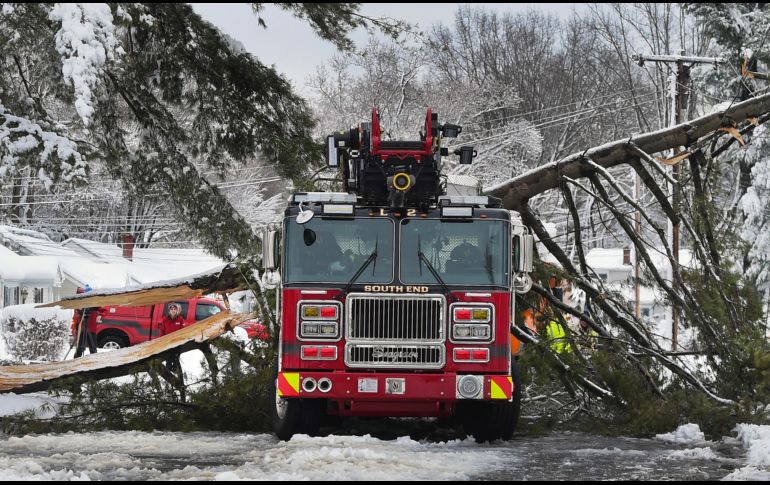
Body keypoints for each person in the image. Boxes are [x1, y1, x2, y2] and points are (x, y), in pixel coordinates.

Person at [74, 286, 104, 358]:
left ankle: (94, 363)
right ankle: (75, 362)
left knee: (93, 349)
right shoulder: (79, 303)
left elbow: (103, 310)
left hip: (91, 328)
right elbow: (76, 316)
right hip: (82, 327)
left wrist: (99, 315)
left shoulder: (95, 302)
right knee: (79, 349)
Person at [160, 303, 185, 374]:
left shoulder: (180, 319)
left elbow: (183, 330)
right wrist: (162, 340)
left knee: (176, 357)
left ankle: (176, 371)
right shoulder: (165, 319)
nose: (173, 311)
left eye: (174, 309)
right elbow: (162, 330)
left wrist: (181, 340)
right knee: (169, 357)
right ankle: (168, 372)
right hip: (168, 342)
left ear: (177, 310)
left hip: (177, 342)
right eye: (172, 309)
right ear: (169, 311)